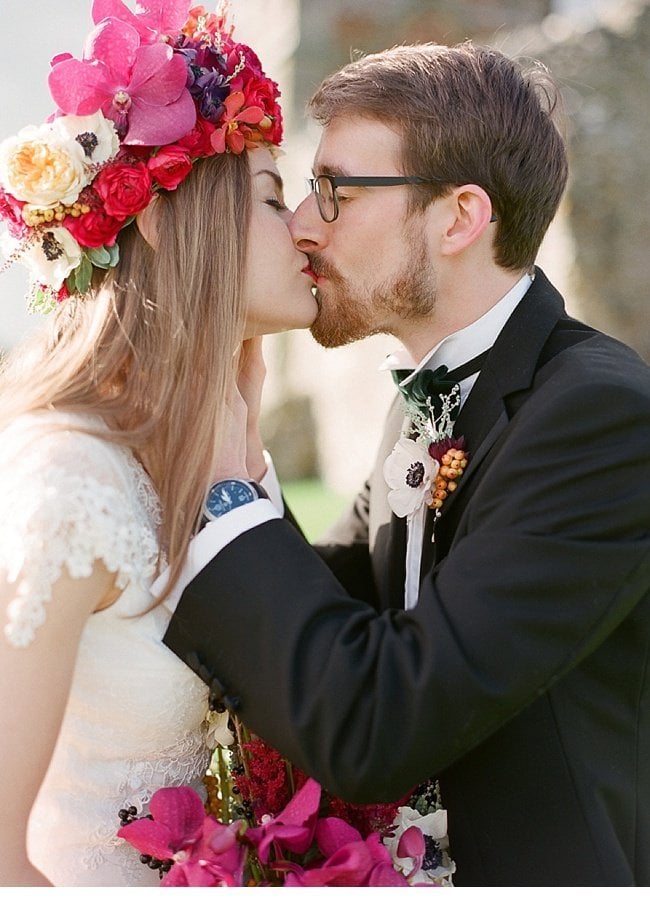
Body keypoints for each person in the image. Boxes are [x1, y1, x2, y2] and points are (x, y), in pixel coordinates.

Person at [162, 41, 650, 886]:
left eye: (337, 193)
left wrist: (227, 495)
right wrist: (238, 451)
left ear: (459, 218)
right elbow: (330, 613)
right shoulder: (424, 403)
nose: (305, 226)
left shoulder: (600, 419)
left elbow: (378, 719)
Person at [0, 1, 317, 887]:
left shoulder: (226, 451)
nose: (299, 228)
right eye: (268, 196)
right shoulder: (71, 481)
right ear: (164, 221)